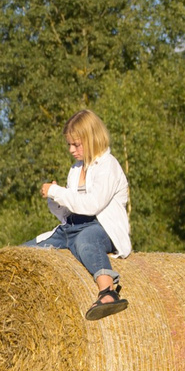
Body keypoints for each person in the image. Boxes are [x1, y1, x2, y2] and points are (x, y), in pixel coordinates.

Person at [35, 110, 131, 319]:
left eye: (76, 144)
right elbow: (69, 212)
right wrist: (55, 199)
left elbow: (92, 205)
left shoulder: (108, 166)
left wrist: (58, 192)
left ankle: (108, 292)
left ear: (92, 138)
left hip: (101, 228)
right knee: (27, 254)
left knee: (86, 241)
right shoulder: (76, 169)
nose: (71, 149)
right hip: (71, 227)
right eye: (69, 144)